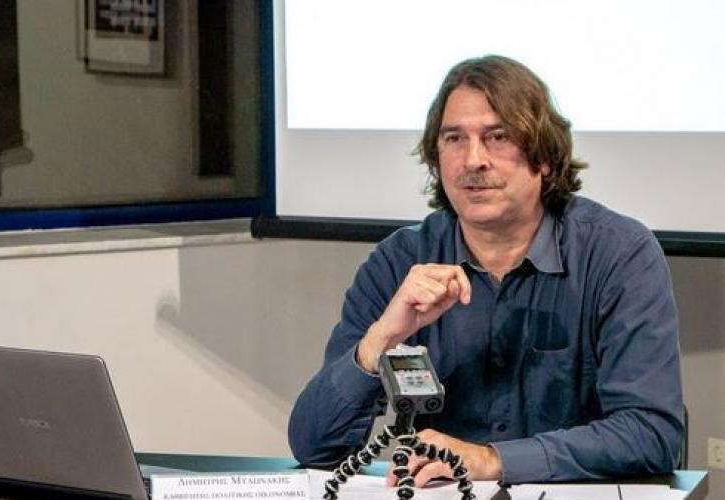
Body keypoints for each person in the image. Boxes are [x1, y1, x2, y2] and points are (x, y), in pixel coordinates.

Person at [287, 55, 683, 486]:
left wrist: (492, 460)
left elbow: (651, 433)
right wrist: (380, 340)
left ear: (544, 157)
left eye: (498, 137)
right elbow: (314, 448)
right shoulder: (400, 261)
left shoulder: (618, 254)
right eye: (454, 139)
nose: (473, 160)